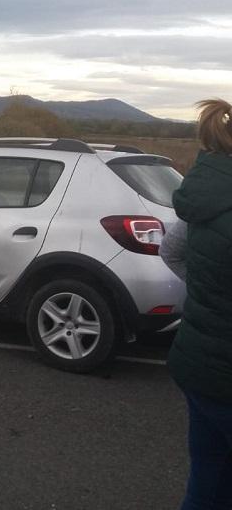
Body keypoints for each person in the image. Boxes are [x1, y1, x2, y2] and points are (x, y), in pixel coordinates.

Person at [169, 98, 232, 509]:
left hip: (196, 364)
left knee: (208, 476)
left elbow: (169, 252)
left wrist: (209, 294)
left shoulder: (206, 194)